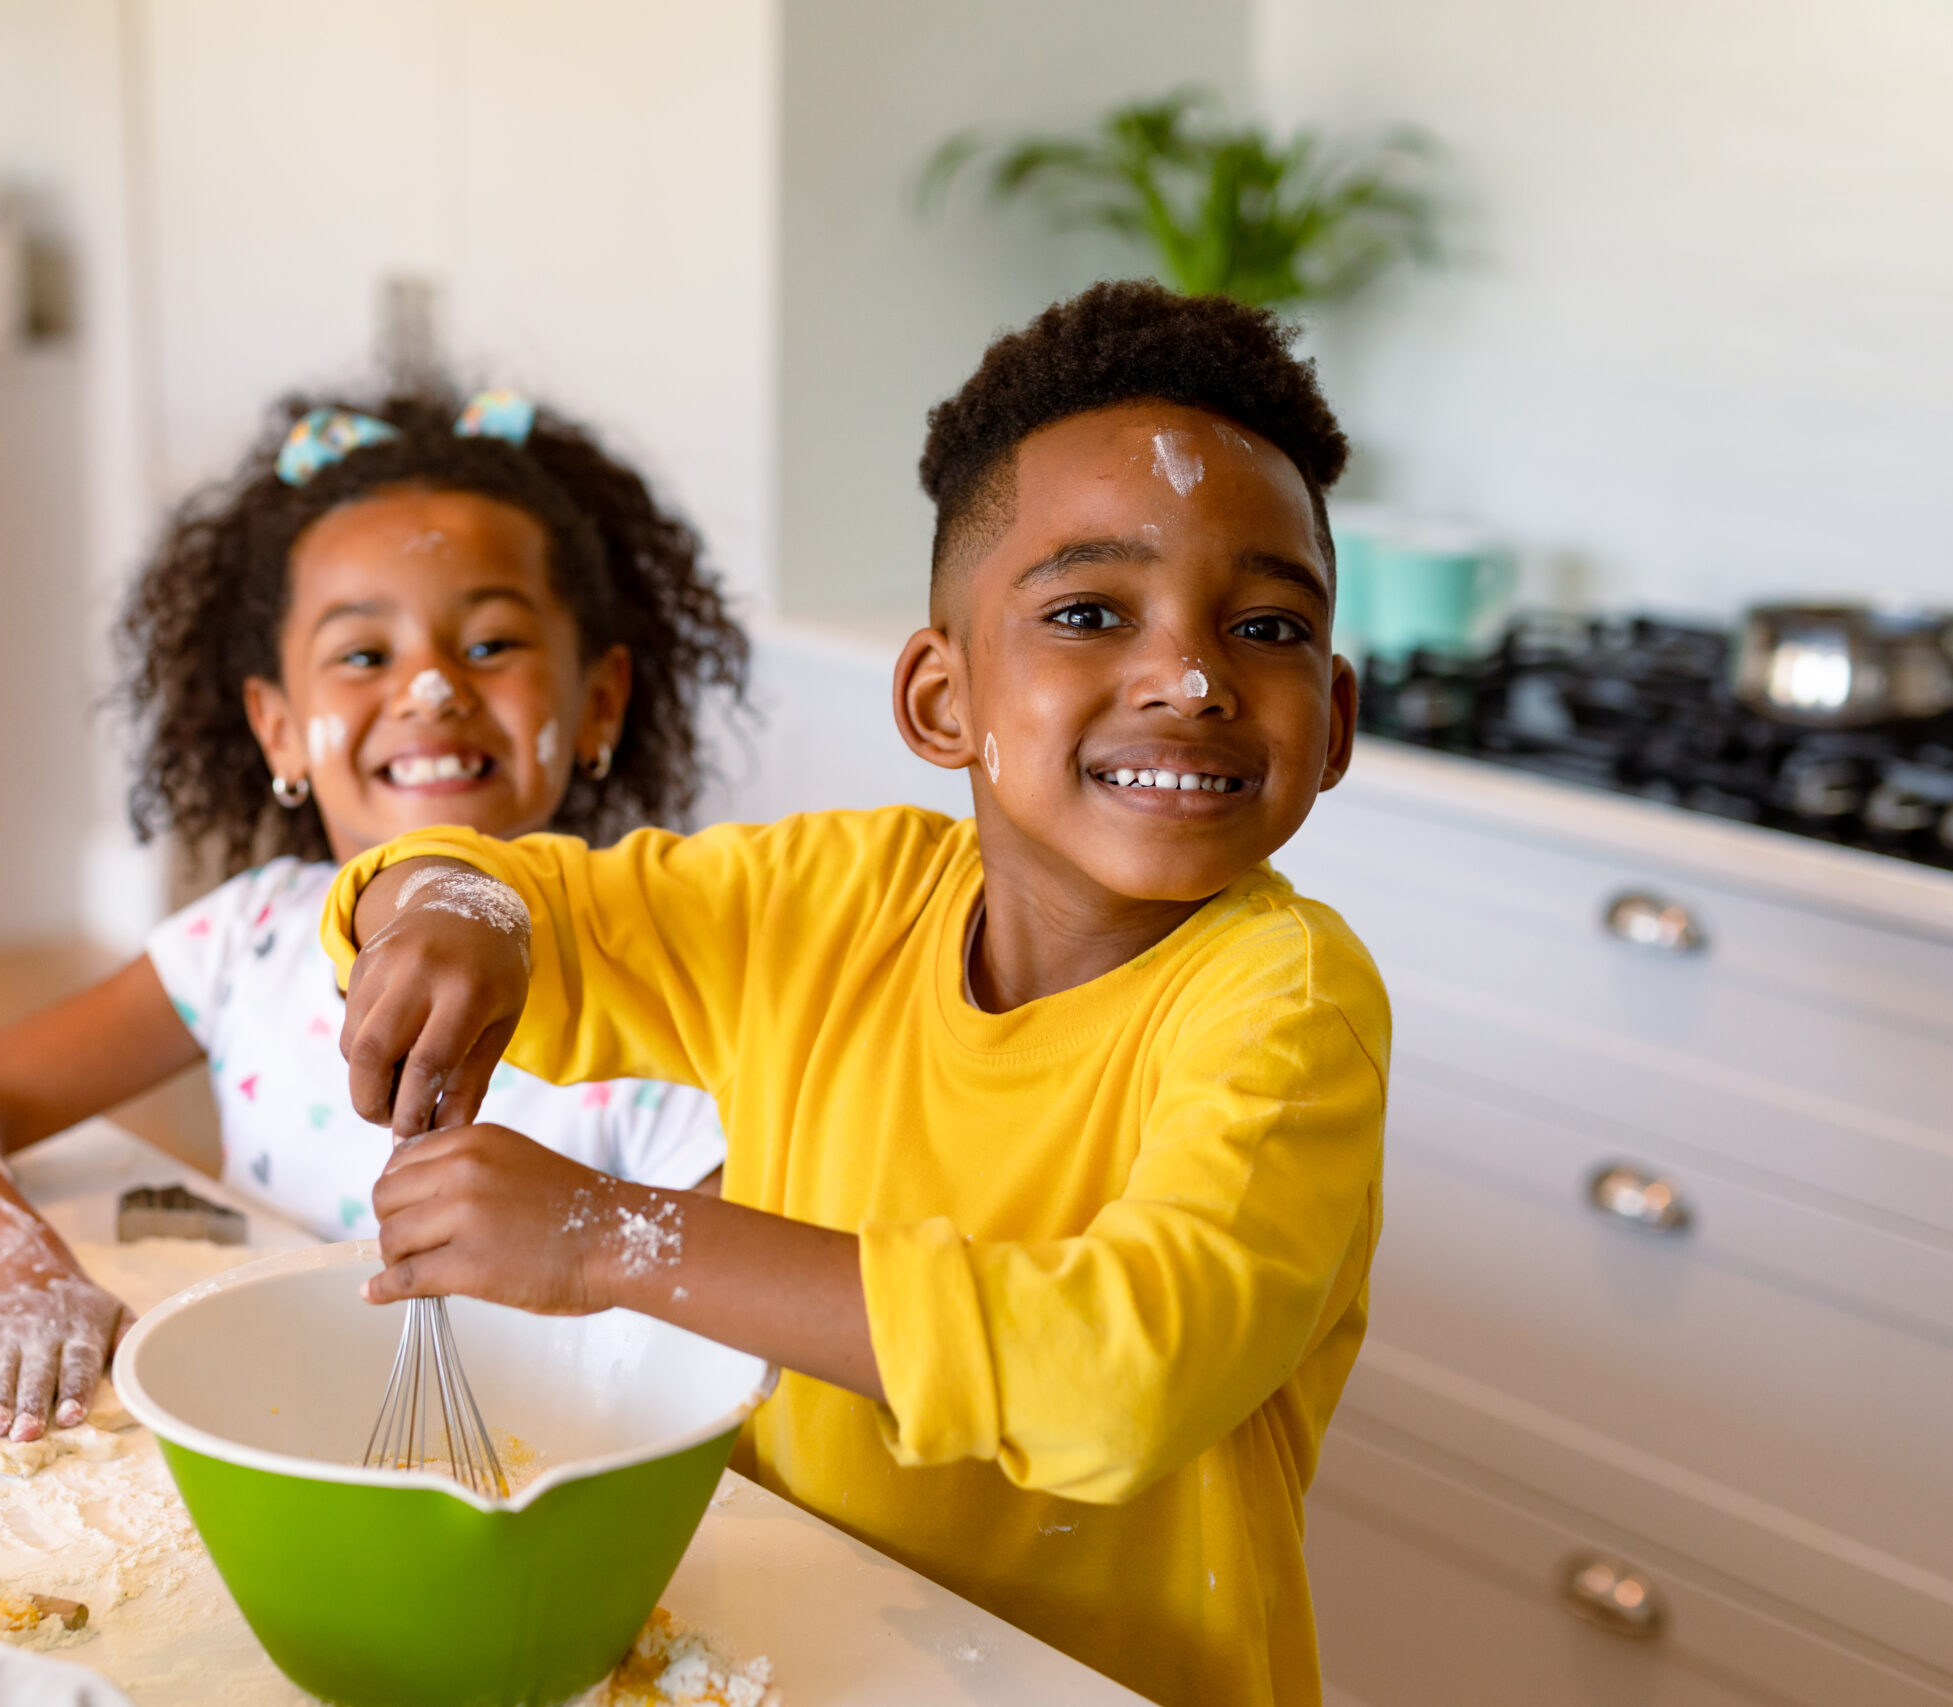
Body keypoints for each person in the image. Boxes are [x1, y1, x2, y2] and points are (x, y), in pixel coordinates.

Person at [319, 284, 1388, 1707]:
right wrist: (456, 909)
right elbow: (494, 886)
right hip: (792, 1650)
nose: (1190, 676)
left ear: (1335, 723)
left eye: (1267, 627)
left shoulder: (1286, 1002)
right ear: (941, 699)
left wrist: (610, 1235)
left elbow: (1120, 1372)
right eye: (1088, 610)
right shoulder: (835, 898)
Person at [0, 385, 748, 1444]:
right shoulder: (247, 941)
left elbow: (734, 1329)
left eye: (491, 645)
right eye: (365, 655)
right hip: (256, 1425)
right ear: (278, 730)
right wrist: (21, 1276)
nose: (428, 690)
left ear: (599, 702)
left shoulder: (667, 997)